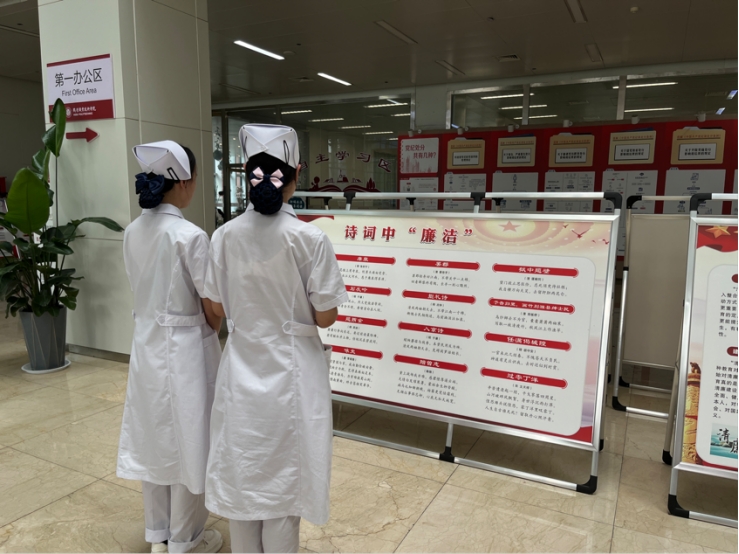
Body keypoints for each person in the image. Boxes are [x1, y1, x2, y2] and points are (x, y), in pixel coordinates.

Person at [204, 124, 348, 553]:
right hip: (293, 375)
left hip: (241, 370)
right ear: (296, 173)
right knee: (286, 488)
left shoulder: (224, 236)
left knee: (242, 478)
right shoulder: (310, 238)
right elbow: (327, 317)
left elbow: (216, 308)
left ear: (246, 174)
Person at [118, 140, 224, 554]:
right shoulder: (190, 235)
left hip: (145, 347)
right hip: (186, 351)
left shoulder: (133, 231)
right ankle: (185, 539)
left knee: (154, 440)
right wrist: (211, 326)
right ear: (185, 182)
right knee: (190, 442)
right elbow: (213, 306)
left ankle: (157, 534)